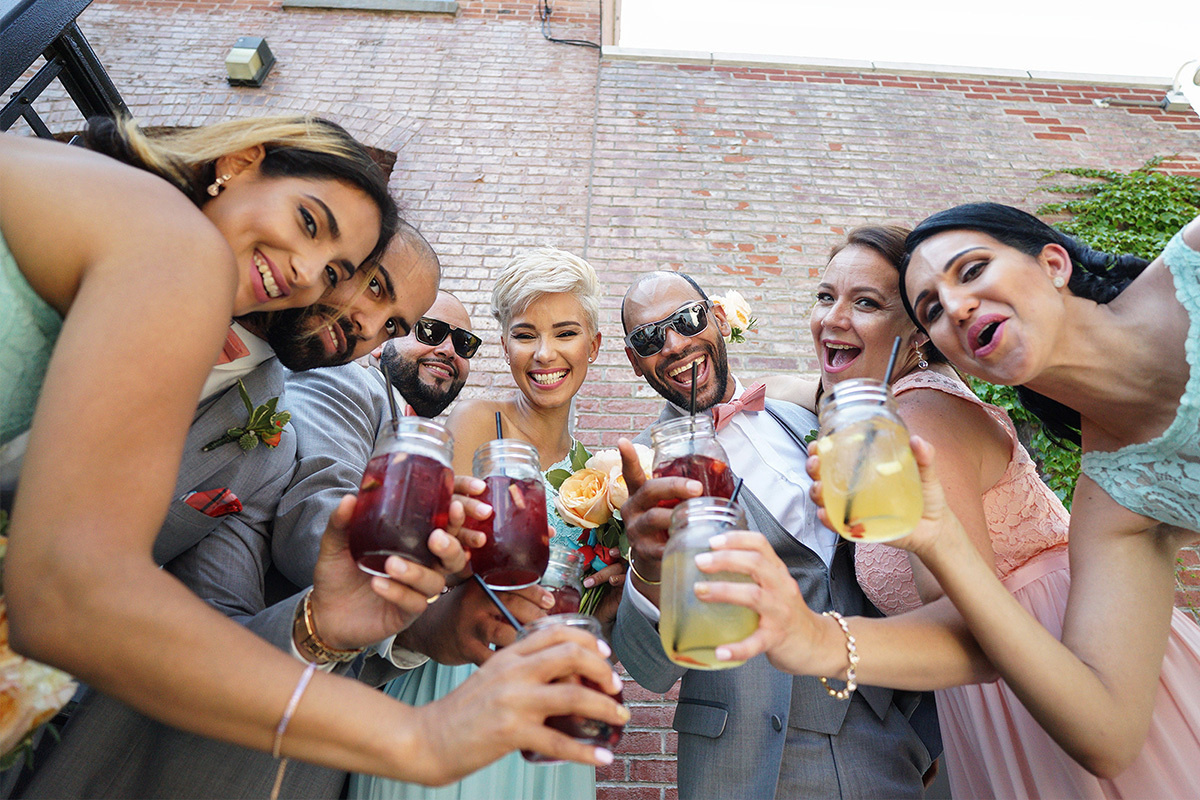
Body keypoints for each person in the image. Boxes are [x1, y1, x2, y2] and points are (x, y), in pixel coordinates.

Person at [1, 121, 624, 788]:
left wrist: (321, 625)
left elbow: (215, 616)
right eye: (311, 226)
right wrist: (419, 738)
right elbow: (69, 587)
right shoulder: (178, 246)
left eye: (334, 271)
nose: (308, 275)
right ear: (239, 163)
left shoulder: (266, 430)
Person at [734, 224, 1200, 797]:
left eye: (867, 303)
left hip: (1054, 650)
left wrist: (821, 640)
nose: (833, 317)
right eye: (825, 296)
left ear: (1053, 264)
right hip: (1033, 688)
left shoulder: (921, 416)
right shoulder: (1112, 492)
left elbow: (962, 626)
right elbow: (1105, 735)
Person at [890, 203, 1200, 779]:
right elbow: (1106, 733)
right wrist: (815, 637)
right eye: (932, 310)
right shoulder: (1116, 505)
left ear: (1054, 263)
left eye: (972, 269)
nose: (955, 306)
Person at [609, 270, 938, 799]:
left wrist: (920, 730)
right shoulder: (637, 474)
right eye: (649, 338)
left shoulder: (803, 415)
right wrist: (648, 571)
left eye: (687, 320)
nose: (672, 345)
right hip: (744, 761)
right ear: (633, 360)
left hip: (881, 742)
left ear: (718, 320)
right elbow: (650, 669)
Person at [354, 247, 621, 800]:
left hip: (549, 696)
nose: (544, 353)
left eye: (565, 333)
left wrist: (611, 591)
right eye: (525, 334)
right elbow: (431, 565)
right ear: (505, 346)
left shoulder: (597, 473)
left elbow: (583, 614)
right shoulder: (479, 422)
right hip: (461, 679)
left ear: (593, 346)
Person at [379, 289, 478, 417]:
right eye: (430, 333)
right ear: (380, 342)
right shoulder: (356, 389)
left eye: (463, 342)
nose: (449, 351)